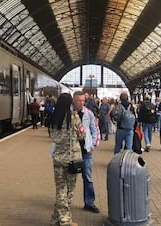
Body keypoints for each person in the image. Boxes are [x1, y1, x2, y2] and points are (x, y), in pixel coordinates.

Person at [49, 93, 85, 226]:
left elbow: (53, 138)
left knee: (60, 190)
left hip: (58, 159)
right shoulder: (74, 117)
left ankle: (55, 218)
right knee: (68, 191)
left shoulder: (54, 117)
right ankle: (65, 220)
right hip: (72, 160)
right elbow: (82, 135)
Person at [72, 91, 100, 214]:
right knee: (69, 178)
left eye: (83, 100)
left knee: (88, 178)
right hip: (72, 151)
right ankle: (66, 202)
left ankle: (89, 203)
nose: (81, 103)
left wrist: (93, 146)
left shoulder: (89, 114)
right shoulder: (68, 114)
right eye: (79, 100)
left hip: (86, 152)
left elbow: (95, 130)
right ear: (74, 100)